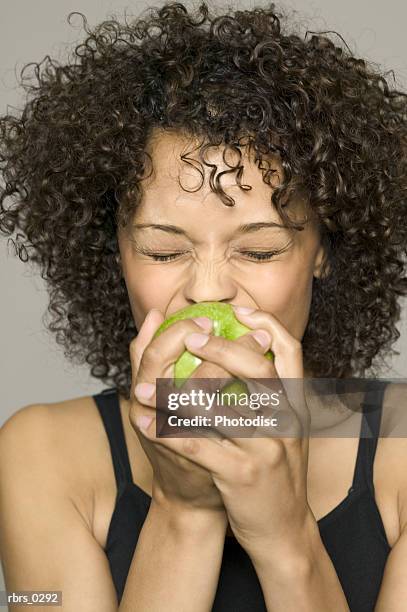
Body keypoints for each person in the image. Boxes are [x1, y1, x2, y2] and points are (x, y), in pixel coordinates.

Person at [0, 1, 406, 610]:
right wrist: (185, 509)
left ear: (324, 250)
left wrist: (283, 534)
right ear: (114, 249)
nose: (208, 291)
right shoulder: (40, 456)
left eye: (261, 251)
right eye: (164, 252)